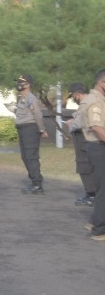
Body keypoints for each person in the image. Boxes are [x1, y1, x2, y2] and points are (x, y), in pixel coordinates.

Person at [11, 74, 48, 194]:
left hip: (30, 129)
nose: (19, 84)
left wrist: (42, 129)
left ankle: (37, 184)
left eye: (22, 82)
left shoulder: (31, 99)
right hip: (22, 129)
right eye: (18, 82)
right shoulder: (23, 98)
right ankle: (34, 181)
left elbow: (38, 115)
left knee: (31, 157)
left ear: (28, 85)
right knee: (25, 156)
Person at [79, 69, 105, 241]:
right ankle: (100, 230)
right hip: (99, 147)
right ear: (102, 83)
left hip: (95, 147)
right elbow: (97, 127)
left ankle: (94, 221)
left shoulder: (94, 99)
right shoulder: (96, 101)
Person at [64, 83, 98, 209]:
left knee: (84, 167)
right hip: (89, 138)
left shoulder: (86, 103)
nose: (73, 99)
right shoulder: (92, 100)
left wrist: (70, 124)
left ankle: (91, 195)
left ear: (76, 94)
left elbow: (79, 124)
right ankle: (93, 194)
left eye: (73, 96)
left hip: (84, 138)